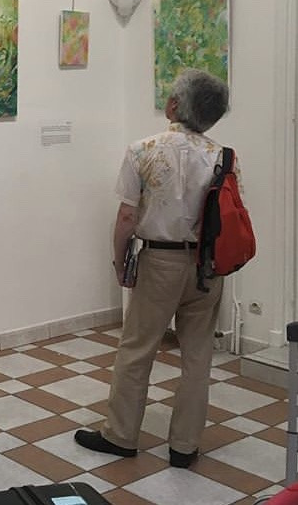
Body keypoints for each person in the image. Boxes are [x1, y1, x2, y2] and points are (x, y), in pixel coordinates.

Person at [74, 68, 236, 469]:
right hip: (207, 265)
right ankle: (184, 445)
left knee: (137, 349)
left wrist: (120, 262)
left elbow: (127, 217)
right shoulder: (224, 157)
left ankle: (121, 435)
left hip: (161, 260)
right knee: (197, 356)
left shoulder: (142, 150)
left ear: (174, 105)